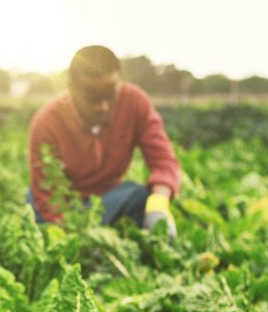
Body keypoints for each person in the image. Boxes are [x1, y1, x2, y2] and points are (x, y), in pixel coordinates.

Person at [28, 45, 182, 236]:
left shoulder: (135, 102)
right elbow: (49, 197)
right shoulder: (46, 123)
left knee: (141, 197)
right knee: (42, 227)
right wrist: (73, 237)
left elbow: (163, 161)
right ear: (72, 88)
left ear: (120, 82)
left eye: (110, 96)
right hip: (63, 204)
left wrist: (158, 206)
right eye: (92, 99)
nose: (103, 107)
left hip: (107, 199)